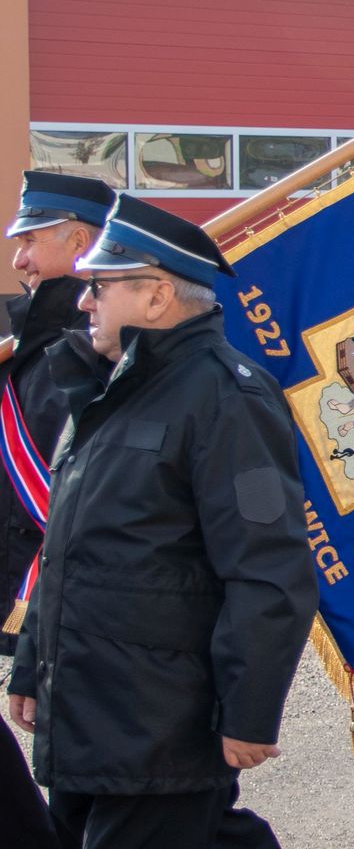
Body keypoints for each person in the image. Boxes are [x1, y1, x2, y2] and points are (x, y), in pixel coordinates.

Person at [7, 196, 317, 847]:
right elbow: (64, 545)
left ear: (156, 296)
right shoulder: (106, 388)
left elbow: (270, 567)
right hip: (87, 712)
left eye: (99, 287)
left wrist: (250, 709)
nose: (84, 302)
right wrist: (34, 664)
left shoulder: (229, 398)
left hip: (158, 724)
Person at [2, 172, 115, 849]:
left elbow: (66, 493)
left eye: (30, 242)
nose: (18, 260)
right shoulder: (36, 341)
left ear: (79, 244)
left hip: (64, 593)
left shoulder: (86, 349)